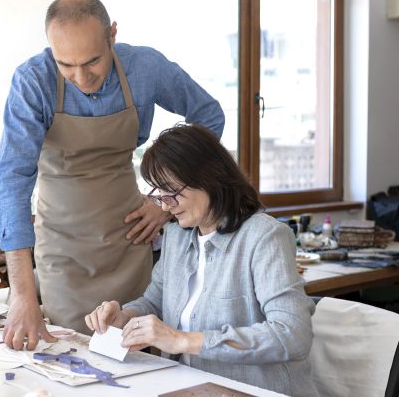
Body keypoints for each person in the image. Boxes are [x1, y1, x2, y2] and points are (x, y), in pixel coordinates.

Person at [0, 0, 225, 349]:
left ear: (112, 35)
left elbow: (209, 117)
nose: (81, 77)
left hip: (130, 241)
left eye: (93, 61)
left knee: (140, 353)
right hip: (63, 252)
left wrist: (166, 204)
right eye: (66, 65)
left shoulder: (145, 68)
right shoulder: (32, 81)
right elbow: (11, 183)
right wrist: (22, 295)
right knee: (71, 356)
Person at [85, 124, 319, 397]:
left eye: (171, 193)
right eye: (159, 195)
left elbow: (292, 335)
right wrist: (125, 317)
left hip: (257, 390)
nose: (165, 206)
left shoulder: (264, 237)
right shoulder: (176, 236)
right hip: (190, 387)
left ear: (209, 177)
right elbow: (155, 301)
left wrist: (181, 340)